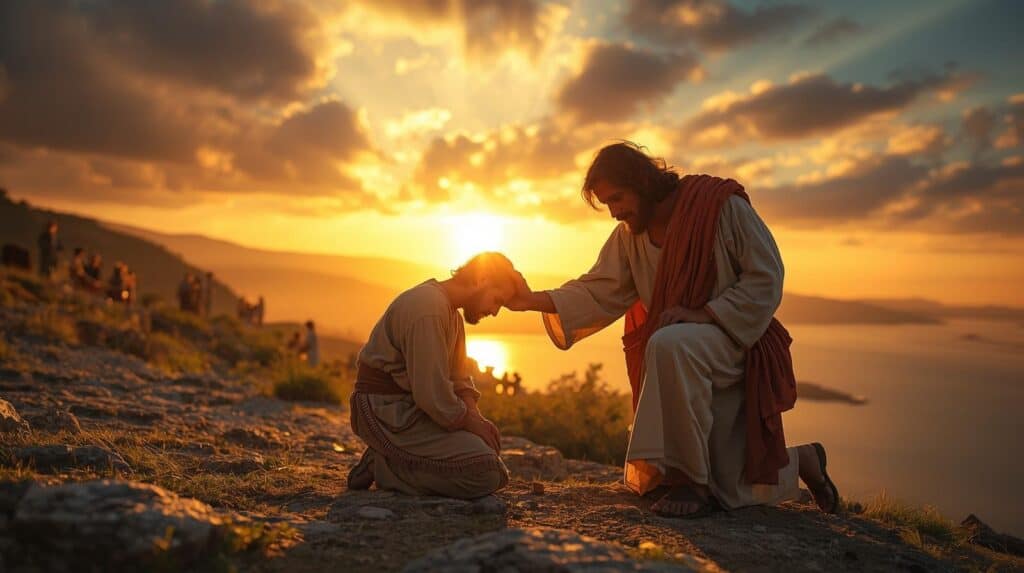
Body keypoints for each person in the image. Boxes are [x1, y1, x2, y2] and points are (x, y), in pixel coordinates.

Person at [505, 142, 838, 518]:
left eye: (618, 198)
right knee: (731, 486)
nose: (615, 212)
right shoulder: (630, 236)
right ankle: (806, 460)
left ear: (644, 181)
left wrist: (707, 314)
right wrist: (529, 300)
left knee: (668, 342)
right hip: (686, 350)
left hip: (737, 341)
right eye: (607, 204)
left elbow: (767, 276)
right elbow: (598, 288)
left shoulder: (719, 207)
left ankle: (688, 481)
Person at [347, 252, 516, 499]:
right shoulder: (428, 308)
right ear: (482, 278)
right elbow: (430, 395)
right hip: (386, 412)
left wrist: (477, 420)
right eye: (497, 300)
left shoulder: (452, 315)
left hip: (417, 411)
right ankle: (385, 467)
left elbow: (459, 378)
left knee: (490, 460)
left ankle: (394, 459)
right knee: (486, 474)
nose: (495, 311)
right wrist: (469, 423)